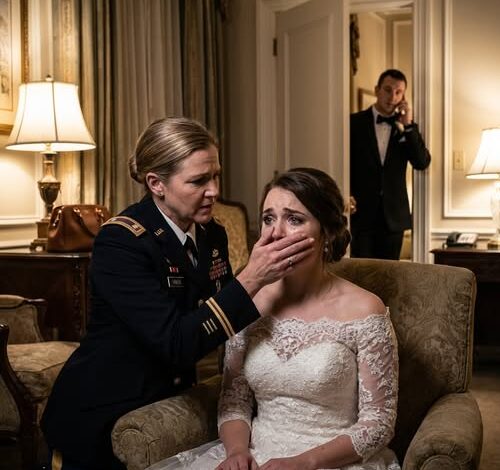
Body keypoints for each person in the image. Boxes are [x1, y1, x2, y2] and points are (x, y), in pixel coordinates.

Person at [40, 117, 315, 470]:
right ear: (156, 183)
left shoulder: (211, 234)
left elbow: (223, 318)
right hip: (100, 413)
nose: (214, 191)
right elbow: (175, 342)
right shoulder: (121, 242)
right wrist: (251, 278)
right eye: (198, 181)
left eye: (215, 176)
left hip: (166, 403)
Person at [155, 167, 400, 470]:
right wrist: (236, 452)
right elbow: (234, 400)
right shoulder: (248, 304)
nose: (275, 233)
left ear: (326, 232)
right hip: (254, 458)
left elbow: (379, 424)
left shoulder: (364, 309)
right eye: (269, 218)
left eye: (294, 219)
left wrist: (303, 463)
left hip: (332, 462)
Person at [350, 69, 431, 260]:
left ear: (403, 97)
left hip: (394, 218)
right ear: (377, 90)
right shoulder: (353, 123)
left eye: (398, 92)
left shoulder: (407, 128)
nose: (392, 97)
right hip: (361, 216)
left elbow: (421, 162)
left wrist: (408, 125)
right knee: (361, 273)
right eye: (387, 90)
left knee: (390, 274)